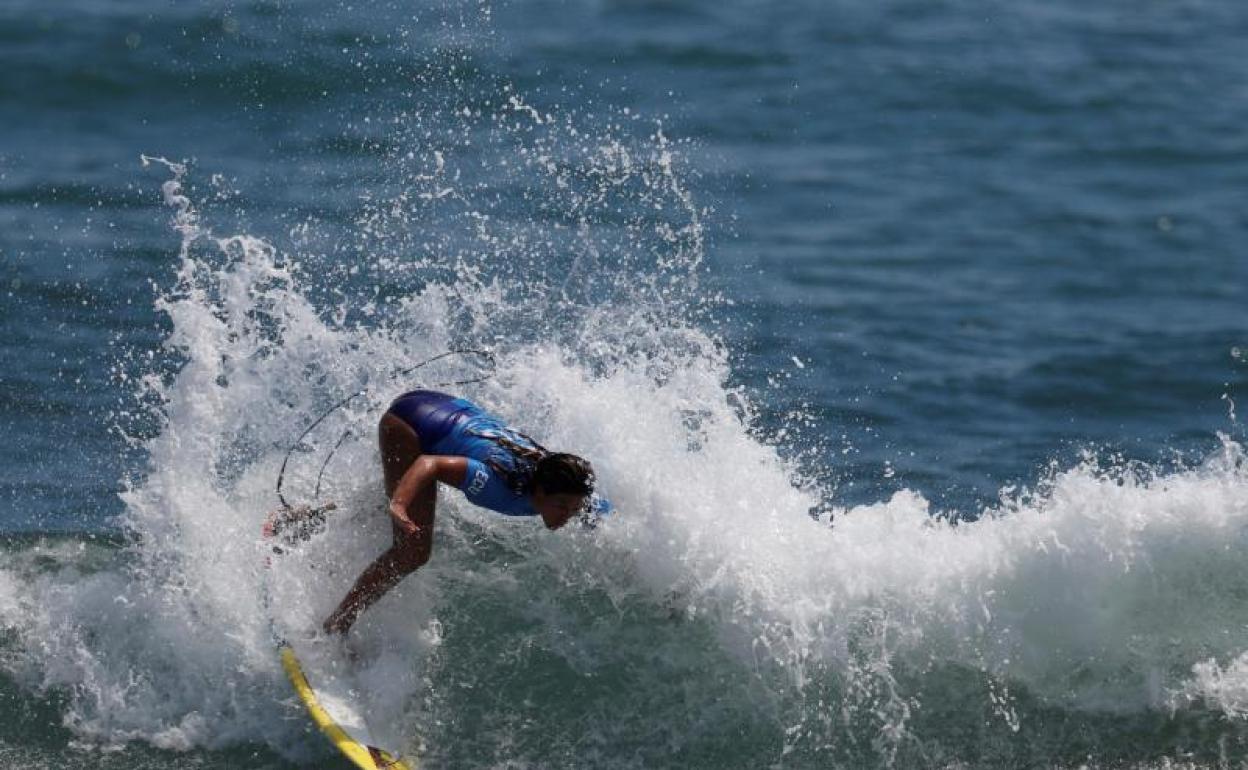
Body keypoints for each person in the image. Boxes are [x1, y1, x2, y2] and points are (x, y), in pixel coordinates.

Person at [323, 389, 610, 635]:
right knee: (412, 551)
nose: (568, 515)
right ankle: (337, 625)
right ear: (540, 493)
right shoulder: (497, 485)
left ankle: (306, 519)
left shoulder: (571, 488)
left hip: (446, 408)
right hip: (409, 426)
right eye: (561, 507)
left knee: (401, 498)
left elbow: (607, 515)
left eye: (574, 509)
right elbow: (430, 465)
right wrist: (399, 503)